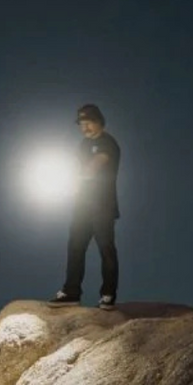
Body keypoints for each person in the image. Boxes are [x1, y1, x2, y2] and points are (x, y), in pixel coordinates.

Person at [49, 103, 120, 310]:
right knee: (75, 247)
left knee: (106, 248)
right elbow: (76, 164)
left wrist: (74, 177)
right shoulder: (82, 144)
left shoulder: (108, 143)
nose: (85, 127)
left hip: (103, 205)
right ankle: (71, 292)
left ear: (99, 122)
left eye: (89, 122)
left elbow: (92, 168)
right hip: (83, 205)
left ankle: (108, 295)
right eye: (81, 124)